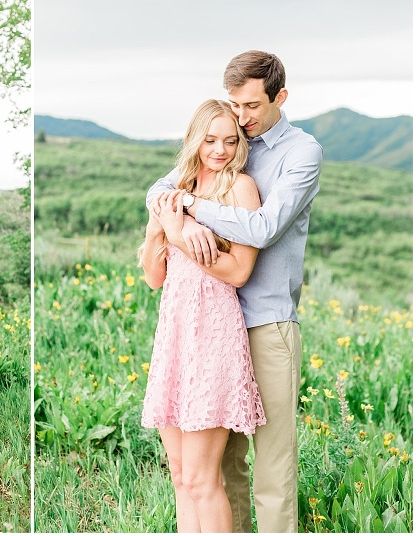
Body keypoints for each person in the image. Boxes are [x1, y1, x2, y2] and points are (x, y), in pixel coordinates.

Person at [147, 50, 323, 533]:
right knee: (222, 470)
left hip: (265, 321)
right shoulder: (223, 141)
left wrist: (190, 210)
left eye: (251, 107)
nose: (241, 120)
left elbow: (263, 228)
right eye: (234, 105)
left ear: (279, 98)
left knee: (272, 468)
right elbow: (158, 193)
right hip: (210, 328)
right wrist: (175, 215)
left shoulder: (300, 153)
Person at [140, 99, 266, 533]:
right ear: (195, 138)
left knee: (200, 478)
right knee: (179, 476)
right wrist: (165, 229)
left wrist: (181, 228)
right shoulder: (178, 186)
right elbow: (154, 276)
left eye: (231, 141)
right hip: (174, 332)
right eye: (211, 140)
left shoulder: (241, 188)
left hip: (213, 334)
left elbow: (238, 271)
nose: (220, 150)